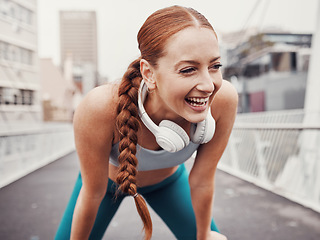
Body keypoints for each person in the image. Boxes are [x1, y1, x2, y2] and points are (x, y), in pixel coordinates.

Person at [55, 5, 237, 240]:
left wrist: (203, 236)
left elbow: (202, 181)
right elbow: (92, 193)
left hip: (168, 183)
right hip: (105, 186)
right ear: (149, 74)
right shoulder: (100, 108)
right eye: (189, 69)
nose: (208, 85)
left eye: (215, 66)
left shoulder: (223, 101)